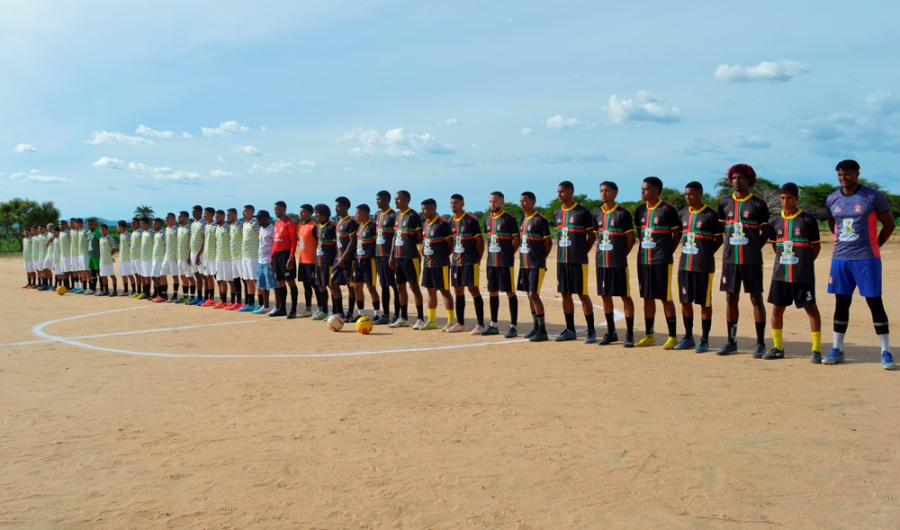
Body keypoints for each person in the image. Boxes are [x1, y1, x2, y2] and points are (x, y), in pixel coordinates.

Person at [825, 159, 896, 369]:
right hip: (841, 259)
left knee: (874, 302)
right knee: (841, 303)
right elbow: (833, 224)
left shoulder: (872, 197)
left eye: (847, 174)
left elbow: (890, 224)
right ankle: (837, 349)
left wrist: (875, 245)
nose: (843, 178)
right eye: (839, 174)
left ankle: (885, 352)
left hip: (867, 258)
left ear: (857, 174)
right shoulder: (832, 199)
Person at [717, 164, 770, 357]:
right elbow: (724, 230)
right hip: (730, 259)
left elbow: (765, 233)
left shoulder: (758, 204)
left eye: (740, 178)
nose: (736, 181)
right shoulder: (724, 203)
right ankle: (732, 341)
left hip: (751, 260)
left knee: (756, 298)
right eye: (734, 178)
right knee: (731, 297)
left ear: (749, 180)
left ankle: (760, 343)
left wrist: (753, 247)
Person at [766, 183, 821, 361]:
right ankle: (777, 347)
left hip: (802, 275)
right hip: (780, 274)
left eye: (789, 198)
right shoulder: (774, 220)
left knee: (811, 309)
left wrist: (803, 263)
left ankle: (816, 349)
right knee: (776, 310)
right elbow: (775, 245)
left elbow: (816, 246)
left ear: (796, 198)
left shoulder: (807, 220)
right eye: (782, 198)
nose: (785, 201)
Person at [633, 177, 682, 349]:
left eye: (645, 189)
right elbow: (641, 234)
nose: (642, 191)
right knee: (647, 297)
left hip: (661, 261)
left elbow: (677, 235)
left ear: (655, 191)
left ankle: (673, 336)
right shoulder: (639, 211)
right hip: (643, 260)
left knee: (665, 297)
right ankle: (649, 334)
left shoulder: (667, 210)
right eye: (641, 188)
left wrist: (667, 251)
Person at [674, 182, 722, 352]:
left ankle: (704, 338)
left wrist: (705, 252)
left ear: (700, 194)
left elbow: (719, 240)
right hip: (685, 266)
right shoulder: (682, 214)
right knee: (685, 301)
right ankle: (688, 336)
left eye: (691, 194)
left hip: (703, 266)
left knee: (704, 303)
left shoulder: (711, 215)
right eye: (686, 194)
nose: (688, 197)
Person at [593, 181, 636, 346]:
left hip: (617, 263)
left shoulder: (623, 214)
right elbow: (598, 237)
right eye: (601, 191)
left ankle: (630, 334)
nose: (604, 194)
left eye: (607, 191)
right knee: (605, 295)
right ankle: (611, 332)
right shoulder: (596, 214)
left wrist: (619, 254)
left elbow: (630, 240)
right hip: (601, 262)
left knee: (625, 296)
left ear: (615, 193)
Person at [553, 181, 597, 343]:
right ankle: (570, 329)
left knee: (582, 294)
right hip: (561, 261)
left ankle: (591, 330)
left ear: (570, 192)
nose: (559, 194)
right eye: (558, 192)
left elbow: (591, 236)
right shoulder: (557, 213)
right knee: (565, 294)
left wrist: (581, 251)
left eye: (562, 192)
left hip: (578, 261)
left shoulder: (582, 212)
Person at [482, 192, 520, 338]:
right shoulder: (486, 219)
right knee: (492, 292)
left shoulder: (509, 219)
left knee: (510, 292)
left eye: (495, 201)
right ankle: (493, 325)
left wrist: (509, 254)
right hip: (491, 262)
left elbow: (516, 240)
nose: (492, 204)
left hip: (505, 262)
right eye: (490, 201)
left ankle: (513, 326)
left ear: (502, 202)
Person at [517, 191, 552, 342]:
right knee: (528, 295)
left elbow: (548, 242)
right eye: (520, 201)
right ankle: (535, 327)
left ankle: (543, 330)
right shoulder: (523, 219)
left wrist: (541, 259)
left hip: (536, 264)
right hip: (524, 264)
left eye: (524, 201)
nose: (522, 204)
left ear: (532, 202)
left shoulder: (540, 219)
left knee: (534, 295)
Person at [448, 194, 485, 334]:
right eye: (451, 203)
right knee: (458, 291)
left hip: (470, 262)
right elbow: (450, 243)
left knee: (473, 290)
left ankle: (480, 324)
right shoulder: (450, 221)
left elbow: (480, 243)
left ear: (463, 204)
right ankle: (460, 323)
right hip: (456, 262)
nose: (453, 205)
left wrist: (478, 260)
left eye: (456, 203)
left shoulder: (471, 220)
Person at [389, 190, 425, 329]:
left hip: (410, 257)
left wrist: (409, 245)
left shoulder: (413, 215)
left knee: (414, 286)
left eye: (398, 199)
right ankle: (403, 318)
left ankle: (420, 318)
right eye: (395, 199)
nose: (396, 201)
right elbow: (395, 236)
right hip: (398, 257)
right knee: (400, 287)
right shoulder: (397, 215)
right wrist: (392, 255)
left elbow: (419, 236)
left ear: (407, 200)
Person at [418, 198, 455, 330]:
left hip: (441, 264)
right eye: (422, 209)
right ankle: (431, 320)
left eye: (425, 209)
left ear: (433, 209)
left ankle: (451, 321)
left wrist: (442, 256)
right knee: (430, 292)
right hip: (428, 264)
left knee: (445, 292)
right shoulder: (425, 223)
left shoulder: (442, 224)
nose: (423, 211)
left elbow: (450, 245)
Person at [352, 204, 383, 322]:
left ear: (364, 213)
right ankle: (361, 313)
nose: (356, 215)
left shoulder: (372, 226)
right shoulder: (360, 227)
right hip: (358, 260)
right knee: (357, 287)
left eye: (358, 213)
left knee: (371, 287)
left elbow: (377, 244)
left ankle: (377, 313)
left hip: (369, 261)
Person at [373, 191, 400, 325]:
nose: (377, 201)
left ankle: (397, 315)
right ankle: (385, 315)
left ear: (387, 200)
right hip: (379, 255)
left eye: (380, 199)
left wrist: (392, 255)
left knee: (394, 286)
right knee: (383, 286)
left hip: (390, 256)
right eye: (376, 199)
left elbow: (397, 237)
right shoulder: (377, 215)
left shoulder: (393, 215)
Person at [270, 200, 299, 318]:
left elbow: (293, 241)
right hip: (276, 255)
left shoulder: (290, 223)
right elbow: (275, 242)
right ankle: (282, 309)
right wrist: (272, 256)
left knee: (290, 281)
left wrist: (291, 257)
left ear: (284, 209)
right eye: (274, 210)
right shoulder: (277, 223)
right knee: (280, 282)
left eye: (277, 209)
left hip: (286, 255)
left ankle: (293, 310)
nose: (276, 211)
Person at [333, 197, 359, 321]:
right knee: (334, 284)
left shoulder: (351, 222)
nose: (336, 208)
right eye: (336, 206)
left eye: (338, 206)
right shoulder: (338, 221)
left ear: (345, 207)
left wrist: (343, 258)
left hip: (348, 260)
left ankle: (349, 312)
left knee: (350, 286)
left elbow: (352, 242)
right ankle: (340, 312)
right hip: (338, 258)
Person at [312, 203, 337, 320]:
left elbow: (336, 246)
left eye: (317, 212)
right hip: (319, 261)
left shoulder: (332, 227)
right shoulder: (317, 227)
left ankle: (335, 310)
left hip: (329, 262)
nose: (315, 215)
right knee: (321, 285)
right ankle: (324, 310)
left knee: (331, 286)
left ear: (324, 213)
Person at [295, 204, 318, 317]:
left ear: (310, 213)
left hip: (312, 261)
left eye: (303, 212)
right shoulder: (299, 226)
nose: (301, 214)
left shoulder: (314, 226)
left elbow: (319, 243)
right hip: (302, 261)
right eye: (300, 212)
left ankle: (321, 309)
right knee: (306, 286)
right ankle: (308, 308)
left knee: (315, 285)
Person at [254, 210, 277, 315]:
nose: (258, 220)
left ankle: (277, 306)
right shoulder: (261, 229)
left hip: (269, 261)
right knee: (262, 284)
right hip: (260, 260)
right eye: (258, 218)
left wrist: (272, 258)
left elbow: (275, 245)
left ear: (266, 218)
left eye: (260, 218)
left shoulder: (272, 229)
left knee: (273, 284)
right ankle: (266, 305)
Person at [240, 205, 261, 312]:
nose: (243, 213)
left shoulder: (254, 223)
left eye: (245, 212)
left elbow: (260, 237)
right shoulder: (245, 224)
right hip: (245, 255)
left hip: (253, 256)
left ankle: (261, 303)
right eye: (242, 212)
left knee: (255, 279)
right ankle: (251, 303)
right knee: (248, 280)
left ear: (251, 212)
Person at [187, 205, 207, 305]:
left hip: (201, 253)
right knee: (196, 275)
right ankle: (198, 297)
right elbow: (191, 240)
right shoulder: (193, 223)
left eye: (194, 212)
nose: (193, 213)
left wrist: (199, 253)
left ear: (199, 212)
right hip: (193, 252)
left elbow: (204, 240)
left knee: (203, 275)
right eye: (192, 212)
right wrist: (189, 253)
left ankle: (206, 297)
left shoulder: (204, 223)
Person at [213, 210, 233, 309]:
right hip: (218, 257)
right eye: (215, 217)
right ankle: (223, 300)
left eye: (218, 217)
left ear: (223, 216)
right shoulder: (216, 228)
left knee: (229, 280)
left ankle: (233, 300)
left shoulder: (228, 228)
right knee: (220, 280)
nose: (216, 219)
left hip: (227, 258)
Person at [199, 207, 218, 307]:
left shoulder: (216, 226)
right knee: (208, 276)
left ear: (211, 215)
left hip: (214, 256)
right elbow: (204, 241)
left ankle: (222, 298)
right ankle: (211, 298)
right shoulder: (206, 226)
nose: (204, 216)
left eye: (205, 214)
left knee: (217, 277)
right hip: (206, 255)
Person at [227, 208, 245, 309]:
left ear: (234, 215)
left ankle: (247, 301)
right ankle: (238, 301)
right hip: (233, 256)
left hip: (240, 256)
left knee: (245, 279)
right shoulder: (231, 226)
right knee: (236, 279)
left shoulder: (240, 225)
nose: (227, 217)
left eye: (229, 215)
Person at [175, 211, 194, 303]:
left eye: (181, 217)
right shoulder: (179, 229)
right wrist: (177, 256)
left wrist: (189, 255)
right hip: (179, 256)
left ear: (186, 218)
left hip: (186, 257)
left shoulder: (189, 229)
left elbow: (191, 243)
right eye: (179, 217)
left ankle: (193, 296)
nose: (179, 218)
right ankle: (185, 296)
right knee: (182, 276)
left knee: (190, 276)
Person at [161, 212, 180, 302]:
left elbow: (179, 243)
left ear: (173, 219)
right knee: (162, 274)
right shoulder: (166, 229)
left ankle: (175, 295)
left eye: (168, 218)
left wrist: (177, 256)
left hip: (174, 256)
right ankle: (164, 295)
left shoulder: (176, 229)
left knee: (174, 276)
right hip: (167, 255)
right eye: (166, 218)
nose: (166, 220)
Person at [150, 217, 168, 302]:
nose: (153, 225)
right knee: (157, 277)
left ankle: (162, 295)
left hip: (160, 259)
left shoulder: (163, 234)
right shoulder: (156, 234)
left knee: (154, 276)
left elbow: (166, 245)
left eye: (155, 224)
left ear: (160, 224)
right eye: (153, 224)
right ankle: (160, 295)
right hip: (155, 258)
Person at [97, 223, 118, 296]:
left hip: (108, 260)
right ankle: (106, 290)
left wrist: (109, 255)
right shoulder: (100, 239)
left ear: (107, 230)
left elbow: (114, 249)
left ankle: (115, 290)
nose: (102, 231)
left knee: (112, 275)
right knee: (103, 275)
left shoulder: (109, 238)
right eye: (101, 229)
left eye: (103, 229)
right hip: (102, 260)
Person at [139, 217, 155, 300]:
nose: (141, 225)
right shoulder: (143, 233)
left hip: (150, 257)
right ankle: (146, 292)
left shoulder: (152, 232)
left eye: (142, 223)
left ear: (147, 223)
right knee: (145, 275)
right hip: (143, 257)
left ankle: (152, 293)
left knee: (150, 275)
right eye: (140, 223)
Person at [129, 217, 145, 299]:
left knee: (141, 275)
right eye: (131, 223)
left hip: (139, 257)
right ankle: (138, 291)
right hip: (133, 257)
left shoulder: (141, 232)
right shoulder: (133, 233)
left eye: (134, 222)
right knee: (136, 275)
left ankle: (145, 291)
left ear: (138, 223)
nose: (132, 224)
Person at [116, 220, 133, 297]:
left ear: (122, 226)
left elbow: (131, 246)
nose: (117, 228)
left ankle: (134, 290)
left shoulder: (128, 235)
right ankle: (125, 290)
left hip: (127, 258)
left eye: (118, 226)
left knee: (129, 274)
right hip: (122, 258)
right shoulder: (121, 235)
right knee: (123, 274)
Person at [86, 218, 101, 293]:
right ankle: (93, 288)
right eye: (88, 224)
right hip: (90, 256)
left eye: (91, 224)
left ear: (94, 224)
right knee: (92, 273)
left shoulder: (97, 232)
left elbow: (101, 242)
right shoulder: (88, 233)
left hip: (97, 256)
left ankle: (102, 289)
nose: (89, 226)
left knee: (99, 272)